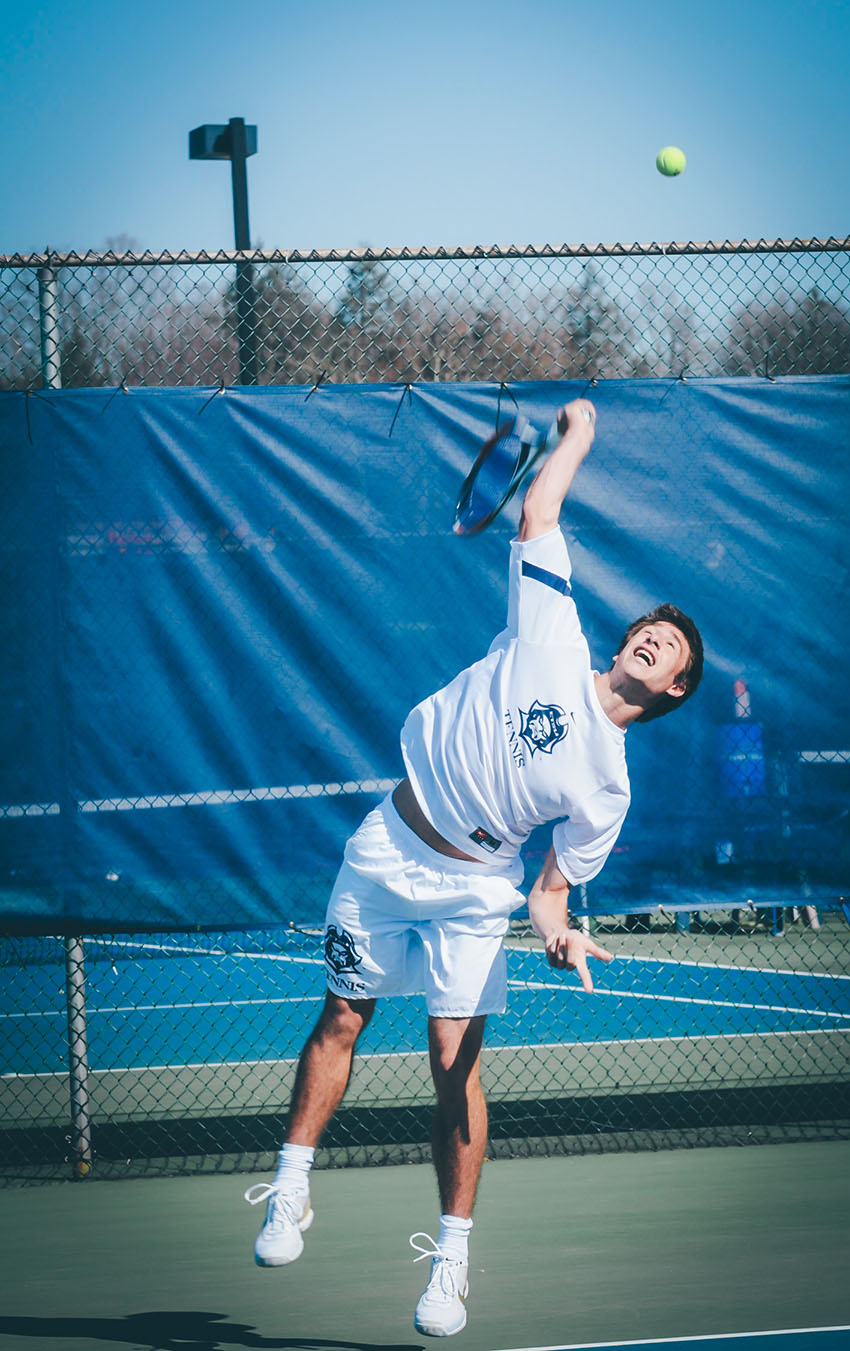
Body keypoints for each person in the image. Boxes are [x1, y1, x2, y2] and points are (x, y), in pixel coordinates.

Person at [243, 398, 704, 1337]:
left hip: (473, 889)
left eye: (675, 648)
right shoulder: (552, 631)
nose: (657, 636)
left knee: (453, 1062)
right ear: (626, 640)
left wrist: (563, 929)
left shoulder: (608, 789)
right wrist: (577, 440)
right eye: (653, 626)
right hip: (385, 847)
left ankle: (450, 1261)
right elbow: (540, 516)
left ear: (674, 688)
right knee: (341, 1017)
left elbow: (548, 888)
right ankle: (290, 1187)